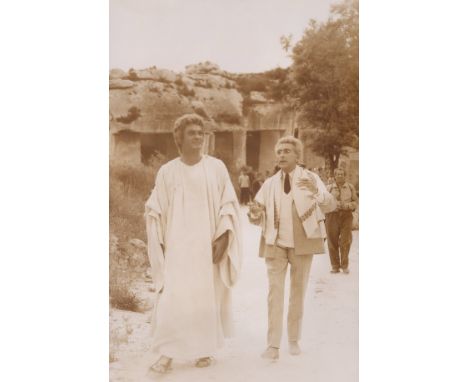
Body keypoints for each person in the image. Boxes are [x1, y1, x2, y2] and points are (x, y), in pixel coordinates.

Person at [145, 114, 242, 373]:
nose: (198, 136)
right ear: (179, 137)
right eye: (192, 132)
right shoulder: (167, 171)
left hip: (206, 246)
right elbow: (156, 206)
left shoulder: (216, 168)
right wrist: (159, 241)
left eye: (201, 132)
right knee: (173, 297)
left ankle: (203, 349)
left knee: (203, 297)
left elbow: (228, 203)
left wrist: (223, 236)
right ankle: (166, 354)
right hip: (178, 246)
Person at [248, 136, 336, 360]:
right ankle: (273, 346)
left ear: (298, 156)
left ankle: (293, 340)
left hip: (303, 243)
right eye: (279, 151)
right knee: (274, 294)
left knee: (298, 294)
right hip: (275, 243)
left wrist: (317, 190)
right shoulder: (268, 184)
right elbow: (256, 214)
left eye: (287, 151)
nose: (282, 155)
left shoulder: (310, 178)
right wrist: (254, 214)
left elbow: (330, 205)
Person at [325, 167, 358, 274]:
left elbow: (355, 203)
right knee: (332, 241)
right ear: (334, 176)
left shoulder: (350, 187)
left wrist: (346, 205)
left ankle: (344, 265)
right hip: (332, 216)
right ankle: (335, 266)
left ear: (345, 176)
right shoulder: (328, 188)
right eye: (337, 174)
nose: (339, 176)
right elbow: (323, 203)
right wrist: (334, 205)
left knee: (345, 241)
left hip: (346, 216)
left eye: (342, 174)